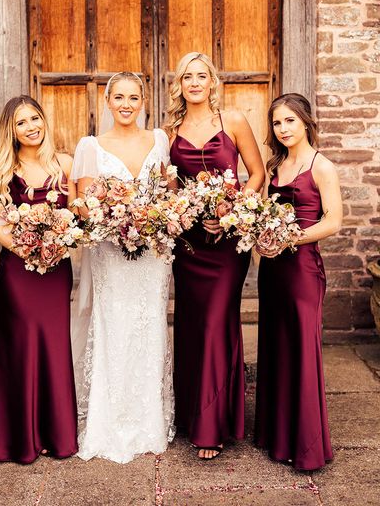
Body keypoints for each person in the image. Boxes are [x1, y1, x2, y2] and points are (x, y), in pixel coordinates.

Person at [71, 72, 175, 463]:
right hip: (111, 253)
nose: (127, 104)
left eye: (134, 97)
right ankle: (108, 422)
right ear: (108, 101)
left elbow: (168, 190)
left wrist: (158, 215)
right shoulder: (92, 146)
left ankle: (148, 420)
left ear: (143, 100)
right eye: (119, 97)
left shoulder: (159, 139)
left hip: (151, 256)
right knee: (114, 326)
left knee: (149, 327)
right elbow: (83, 203)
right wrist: (114, 220)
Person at [167, 52, 265, 459]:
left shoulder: (234, 121)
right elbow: (169, 186)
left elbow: (257, 174)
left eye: (201, 75)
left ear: (212, 81)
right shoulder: (170, 129)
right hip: (188, 246)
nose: (194, 82)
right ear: (180, 84)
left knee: (216, 321)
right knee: (191, 324)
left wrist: (232, 214)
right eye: (187, 76)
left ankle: (213, 426)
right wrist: (177, 212)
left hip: (226, 246)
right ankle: (193, 414)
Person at [0, 95, 78, 464]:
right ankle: (16, 438)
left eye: (35, 118)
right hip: (19, 272)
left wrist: (60, 237)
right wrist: (28, 250)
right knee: (18, 347)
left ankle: (55, 434)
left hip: (56, 272)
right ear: (12, 130)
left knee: (53, 344)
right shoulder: (6, 169)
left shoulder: (64, 164)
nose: (31, 127)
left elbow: (79, 214)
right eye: (22, 122)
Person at [254, 93, 343, 471]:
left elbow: (333, 220)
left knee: (302, 349)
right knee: (276, 346)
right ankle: (278, 436)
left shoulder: (321, 166)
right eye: (277, 123)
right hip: (272, 271)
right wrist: (259, 233)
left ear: (305, 121)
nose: (283, 128)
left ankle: (306, 445)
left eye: (290, 120)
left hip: (303, 269)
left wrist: (290, 238)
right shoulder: (276, 166)